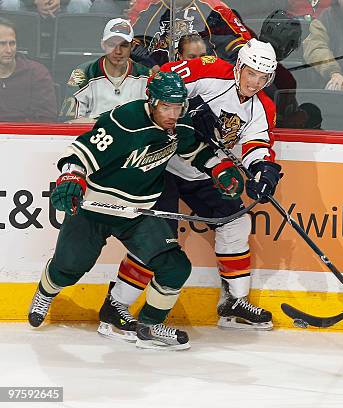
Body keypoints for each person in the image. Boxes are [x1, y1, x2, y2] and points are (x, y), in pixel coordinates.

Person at [27, 71, 244, 350]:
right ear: (151, 101)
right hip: (96, 208)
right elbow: (81, 152)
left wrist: (219, 168)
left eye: (178, 107)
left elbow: (194, 149)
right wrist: (72, 177)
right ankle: (46, 292)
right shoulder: (125, 122)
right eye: (166, 106)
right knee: (69, 268)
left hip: (137, 212)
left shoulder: (180, 123)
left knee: (175, 267)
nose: (173, 114)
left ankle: (150, 325)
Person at [98, 39, 280, 340]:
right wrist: (190, 111)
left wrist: (263, 171)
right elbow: (159, 82)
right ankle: (115, 307)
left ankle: (234, 301)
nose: (255, 82)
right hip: (164, 164)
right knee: (156, 239)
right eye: (251, 73)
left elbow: (257, 145)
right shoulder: (210, 71)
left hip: (206, 171)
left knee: (236, 221)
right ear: (239, 67)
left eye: (263, 78)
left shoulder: (263, 106)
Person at [60, 18, 151, 123]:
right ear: (103, 45)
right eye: (112, 45)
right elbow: (68, 123)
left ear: (132, 46)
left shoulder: (146, 76)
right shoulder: (82, 74)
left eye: (124, 45)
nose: (118, 51)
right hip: (92, 136)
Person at [128, 0, 252, 66]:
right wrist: (149, 62)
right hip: (157, 81)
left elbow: (245, 43)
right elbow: (125, 41)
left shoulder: (215, 7)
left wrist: (217, 68)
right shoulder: (145, 6)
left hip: (202, 82)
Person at [0, 17, 56, 122]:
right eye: (2, 44)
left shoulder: (37, 73)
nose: (8, 50)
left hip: (26, 136)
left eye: (12, 43)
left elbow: (47, 120)